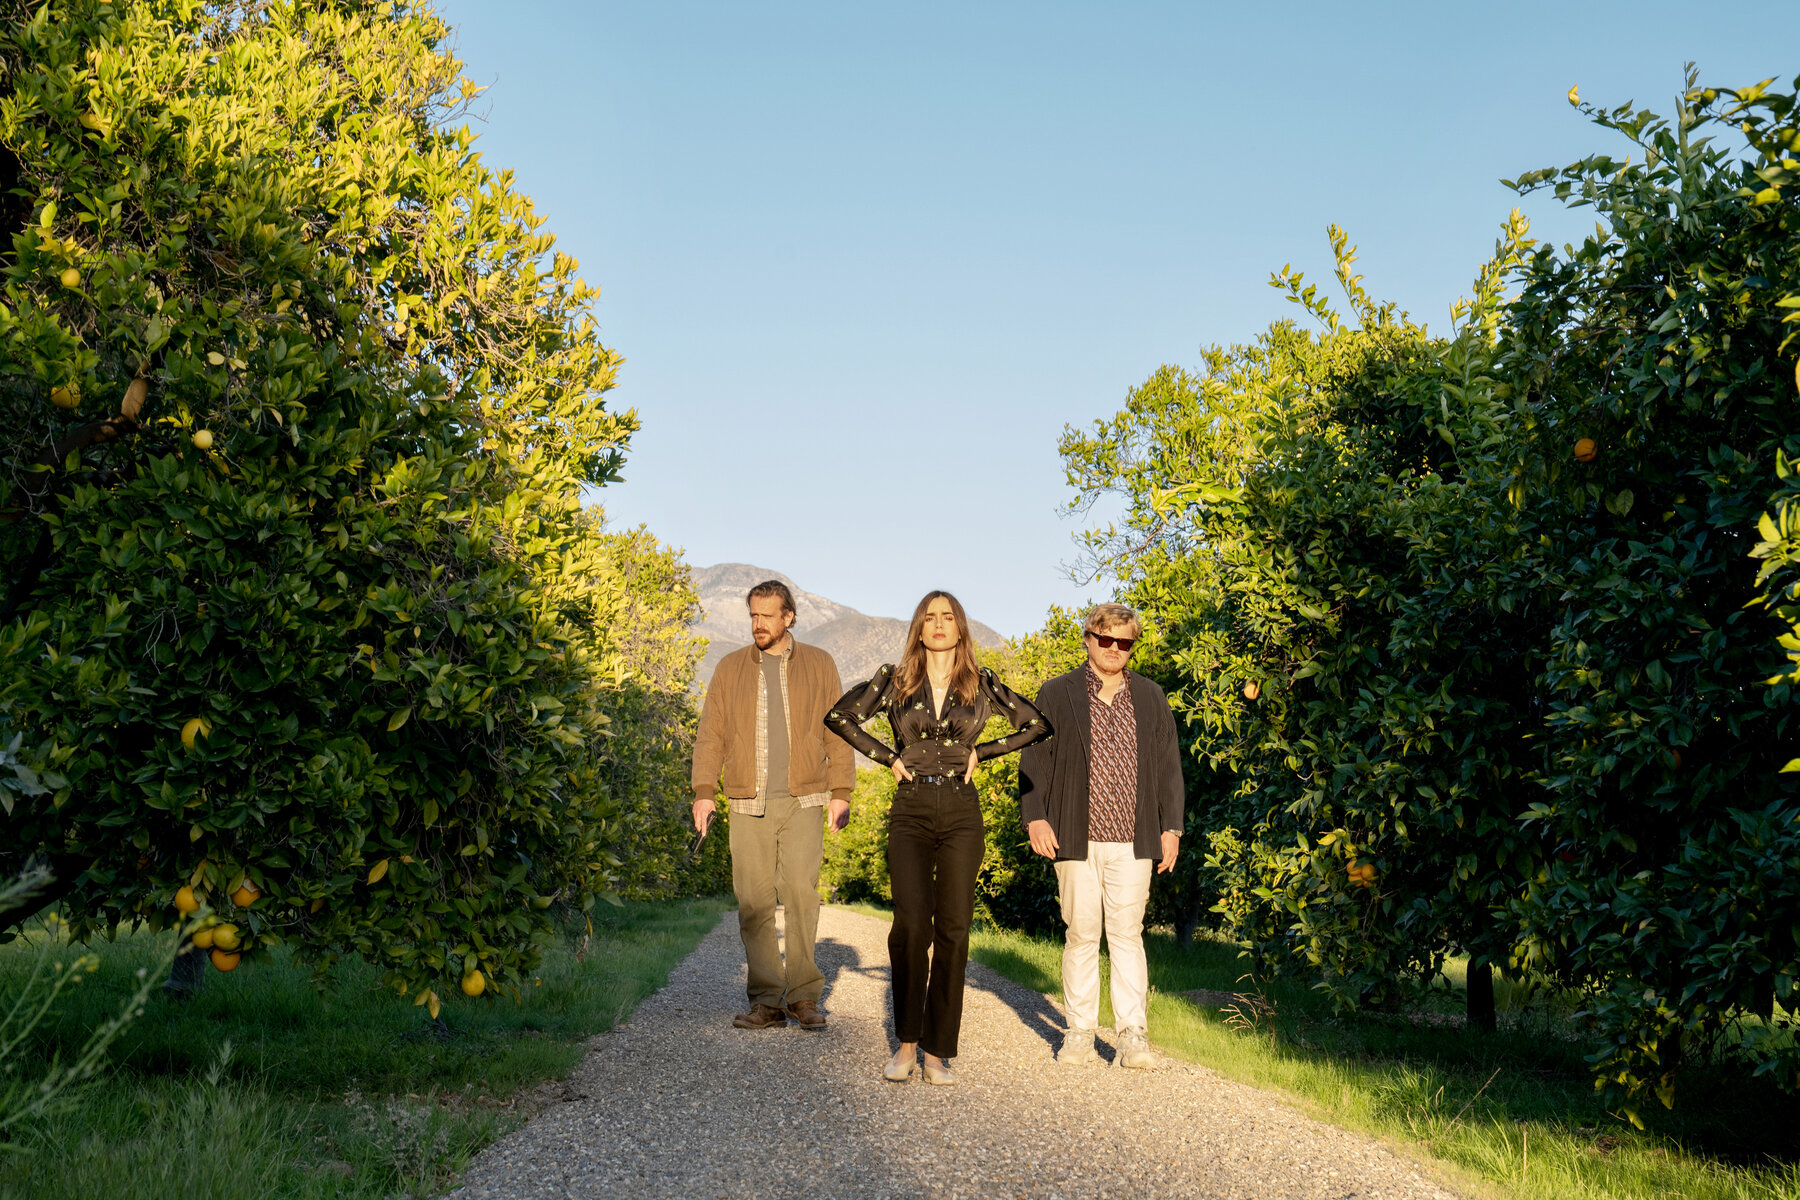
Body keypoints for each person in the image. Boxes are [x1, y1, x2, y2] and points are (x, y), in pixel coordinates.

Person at [825, 590, 1051, 1085]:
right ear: (919, 629)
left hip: (961, 811)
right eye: (930, 618)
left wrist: (983, 752)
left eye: (948, 617)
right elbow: (839, 717)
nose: (939, 624)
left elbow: (1036, 724)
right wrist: (888, 757)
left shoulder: (981, 682)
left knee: (953, 929)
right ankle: (905, 1045)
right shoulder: (894, 678)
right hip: (911, 808)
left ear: (960, 627)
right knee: (910, 927)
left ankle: (936, 1051)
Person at [1018, 602, 1183, 1070]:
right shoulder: (1056, 692)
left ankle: (1133, 1036)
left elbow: (1170, 766)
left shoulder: (1152, 697)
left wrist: (1171, 827)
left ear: (1132, 647)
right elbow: (1034, 760)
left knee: (1128, 935)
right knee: (1082, 934)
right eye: (1106, 639)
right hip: (1073, 834)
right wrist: (1035, 818)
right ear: (1089, 639)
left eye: (1124, 642)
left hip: (1134, 839)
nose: (1114, 649)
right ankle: (1079, 1033)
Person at [692, 579, 855, 1032]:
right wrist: (704, 790)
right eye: (753, 615)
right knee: (754, 902)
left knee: (802, 893)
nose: (757, 624)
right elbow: (711, 736)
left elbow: (838, 733)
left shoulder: (821, 665)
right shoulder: (729, 669)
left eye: (767, 615)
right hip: (747, 799)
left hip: (805, 797)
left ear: (789, 617)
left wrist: (841, 792)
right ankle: (766, 1000)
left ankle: (804, 997)